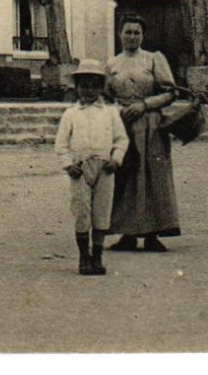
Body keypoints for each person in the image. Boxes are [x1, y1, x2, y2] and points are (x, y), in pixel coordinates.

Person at [106, 15, 183, 252]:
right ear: (120, 34)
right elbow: (105, 96)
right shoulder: (111, 64)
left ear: (143, 35)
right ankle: (127, 234)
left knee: (152, 176)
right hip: (122, 125)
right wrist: (118, 109)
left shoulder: (153, 59)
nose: (132, 37)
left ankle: (153, 234)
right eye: (128, 32)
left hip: (150, 126)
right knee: (125, 176)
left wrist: (145, 105)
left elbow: (171, 93)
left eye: (137, 32)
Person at [54, 59, 130, 276]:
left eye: (93, 85)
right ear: (77, 87)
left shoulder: (110, 113)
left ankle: (97, 256)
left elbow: (121, 140)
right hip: (80, 169)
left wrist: (116, 159)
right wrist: (68, 165)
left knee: (102, 212)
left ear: (101, 87)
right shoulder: (71, 114)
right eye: (84, 85)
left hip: (105, 169)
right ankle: (83, 257)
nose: (88, 90)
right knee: (82, 211)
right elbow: (61, 144)